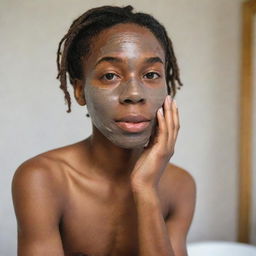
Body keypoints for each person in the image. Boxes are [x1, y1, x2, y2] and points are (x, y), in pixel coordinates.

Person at [12, 5, 196, 256]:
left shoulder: (179, 186)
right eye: (110, 76)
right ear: (79, 91)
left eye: (151, 74)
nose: (134, 94)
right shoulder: (43, 179)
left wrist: (146, 189)